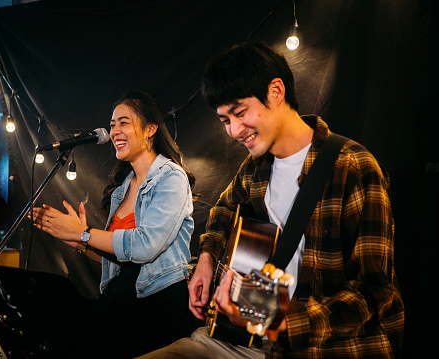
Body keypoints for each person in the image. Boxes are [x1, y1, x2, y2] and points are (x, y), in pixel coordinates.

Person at [137, 42, 404, 358]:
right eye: (225, 120)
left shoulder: (355, 168)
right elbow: (224, 208)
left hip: (323, 347)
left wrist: (277, 321)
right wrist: (207, 258)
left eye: (239, 112)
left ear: (276, 91)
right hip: (238, 339)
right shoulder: (254, 167)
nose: (235, 130)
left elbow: (374, 295)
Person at [30, 90, 195, 358]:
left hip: (156, 307)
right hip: (120, 301)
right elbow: (121, 260)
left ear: (150, 129)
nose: (114, 131)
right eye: (112, 125)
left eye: (123, 122)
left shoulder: (171, 177)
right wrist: (81, 243)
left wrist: (84, 233)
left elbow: (144, 247)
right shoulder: (122, 188)